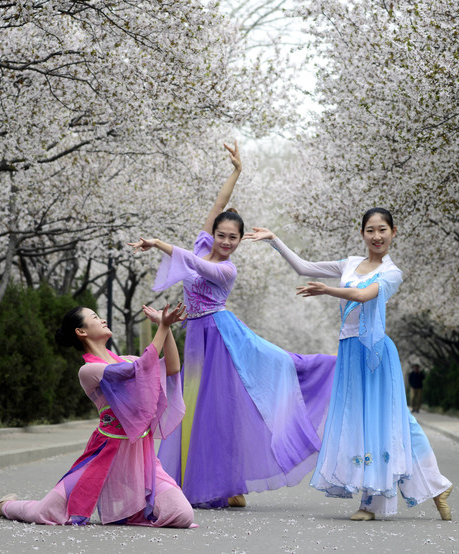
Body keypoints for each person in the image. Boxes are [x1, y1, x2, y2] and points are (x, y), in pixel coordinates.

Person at [127, 141, 335, 509]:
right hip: (196, 338)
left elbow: (195, 265)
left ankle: (227, 484)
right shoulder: (202, 243)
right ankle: (209, 483)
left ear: (240, 241)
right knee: (194, 411)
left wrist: (158, 243)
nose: (225, 242)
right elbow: (218, 207)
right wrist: (236, 172)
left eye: (233, 238)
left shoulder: (226, 269)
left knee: (222, 410)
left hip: (222, 338)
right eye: (221, 235)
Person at [245, 208, 454, 521]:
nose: (377, 236)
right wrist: (274, 240)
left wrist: (327, 290)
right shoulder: (350, 263)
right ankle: (437, 486)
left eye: (382, 229)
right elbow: (304, 267)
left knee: (381, 421)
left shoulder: (392, 272)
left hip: (374, 354)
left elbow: (364, 294)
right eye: (370, 230)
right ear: (362, 233)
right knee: (383, 420)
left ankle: (374, 501)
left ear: (393, 232)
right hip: (349, 351)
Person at [0, 302, 195, 528]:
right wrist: (163, 326)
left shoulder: (128, 359)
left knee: (182, 514)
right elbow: (137, 371)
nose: (103, 320)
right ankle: (6, 506)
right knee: (47, 512)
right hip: (104, 454)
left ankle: (130, 511)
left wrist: (164, 326)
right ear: (81, 331)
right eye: (95, 317)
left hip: (141, 456)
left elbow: (172, 367)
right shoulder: (89, 371)